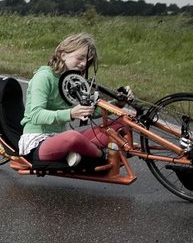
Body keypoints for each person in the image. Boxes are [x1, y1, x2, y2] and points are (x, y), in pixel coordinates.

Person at [19, 32, 133, 168]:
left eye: (87, 61)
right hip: (38, 141)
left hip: (62, 137)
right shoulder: (44, 77)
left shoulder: (73, 81)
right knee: (72, 137)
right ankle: (102, 156)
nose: (83, 64)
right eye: (80, 58)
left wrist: (118, 104)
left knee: (122, 123)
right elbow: (36, 115)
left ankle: (81, 154)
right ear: (63, 54)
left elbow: (89, 112)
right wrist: (71, 113)